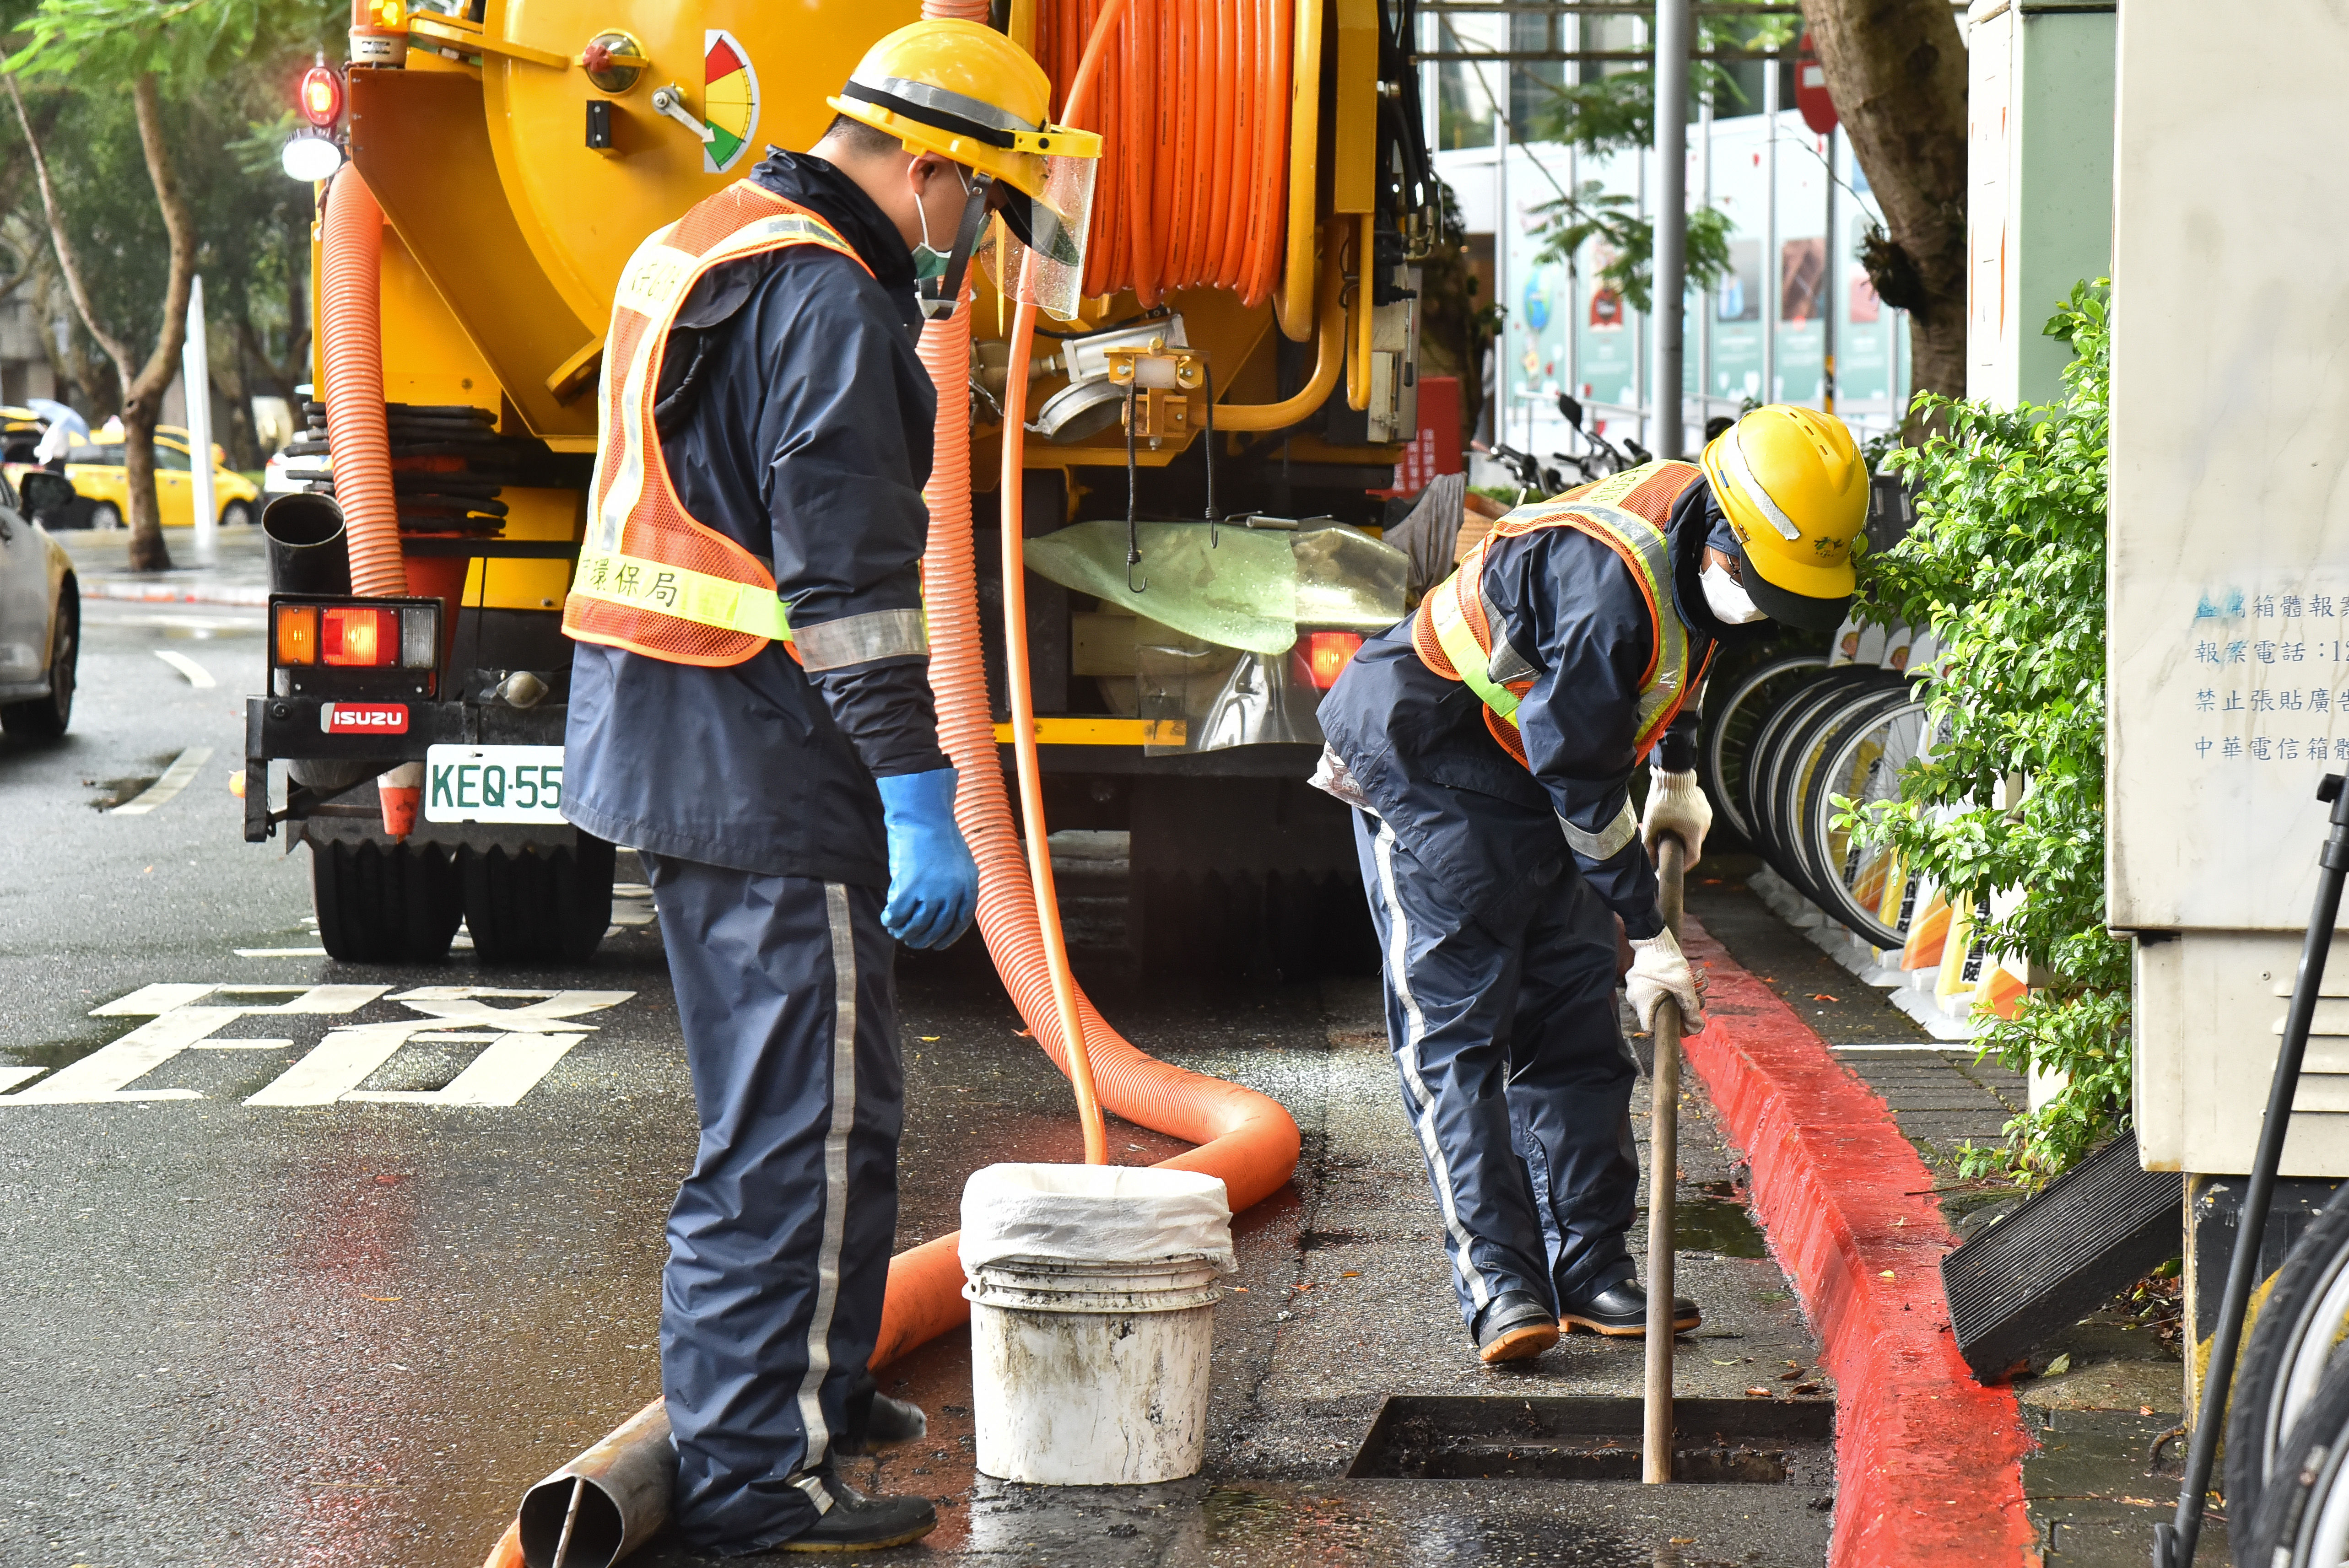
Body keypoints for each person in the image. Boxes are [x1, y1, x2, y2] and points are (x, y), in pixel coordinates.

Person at [559, 20, 1095, 1553]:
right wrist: (917, 786)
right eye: (980, 205)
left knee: (829, 1111)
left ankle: (801, 1400)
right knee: (793, 1129)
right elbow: (852, 590)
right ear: (928, 171)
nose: (975, 242)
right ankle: (751, 1482)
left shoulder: (712, 239)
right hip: (761, 758)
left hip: (679, 731)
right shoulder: (830, 303)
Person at [1312, 406, 1870, 1364]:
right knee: (1460, 1037)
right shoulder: (1608, 585)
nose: (1764, 609)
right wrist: (1649, 933)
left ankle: (1590, 1265)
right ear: (1726, 534)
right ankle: (1500, 1279)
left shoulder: (1699, 531)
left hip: (1533, 771)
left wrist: (1676, 773)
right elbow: (1576, 778)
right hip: (1427, 758)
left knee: (1575, 1024)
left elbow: (1678, 656)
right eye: (1763, 584)